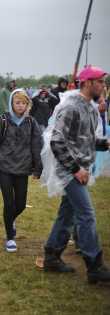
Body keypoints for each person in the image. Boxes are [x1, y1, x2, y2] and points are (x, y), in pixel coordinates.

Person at [41, 66, 110, 284]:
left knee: (68, 214)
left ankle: (52, 256)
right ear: (87, 82)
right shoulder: (70, 106)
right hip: (70, 170)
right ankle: (95, 266)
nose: (103, 86)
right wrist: (75, 169)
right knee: (86, 214)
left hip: (82, 168)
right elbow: (57, 141)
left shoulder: (90, 107)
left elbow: (84, 140)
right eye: (100, 81)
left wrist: (103, 143)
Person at [0, 89, 42, 252]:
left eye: (24, 103)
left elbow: (37, 145)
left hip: (23, 168)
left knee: (21, 205)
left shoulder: (31, 122)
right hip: (4, 167)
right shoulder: (3, 121)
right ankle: (10, 238)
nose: (21, 106)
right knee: (9, 202)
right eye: (18, 102)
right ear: (11, 103)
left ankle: (10, 220)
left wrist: (38, 167)